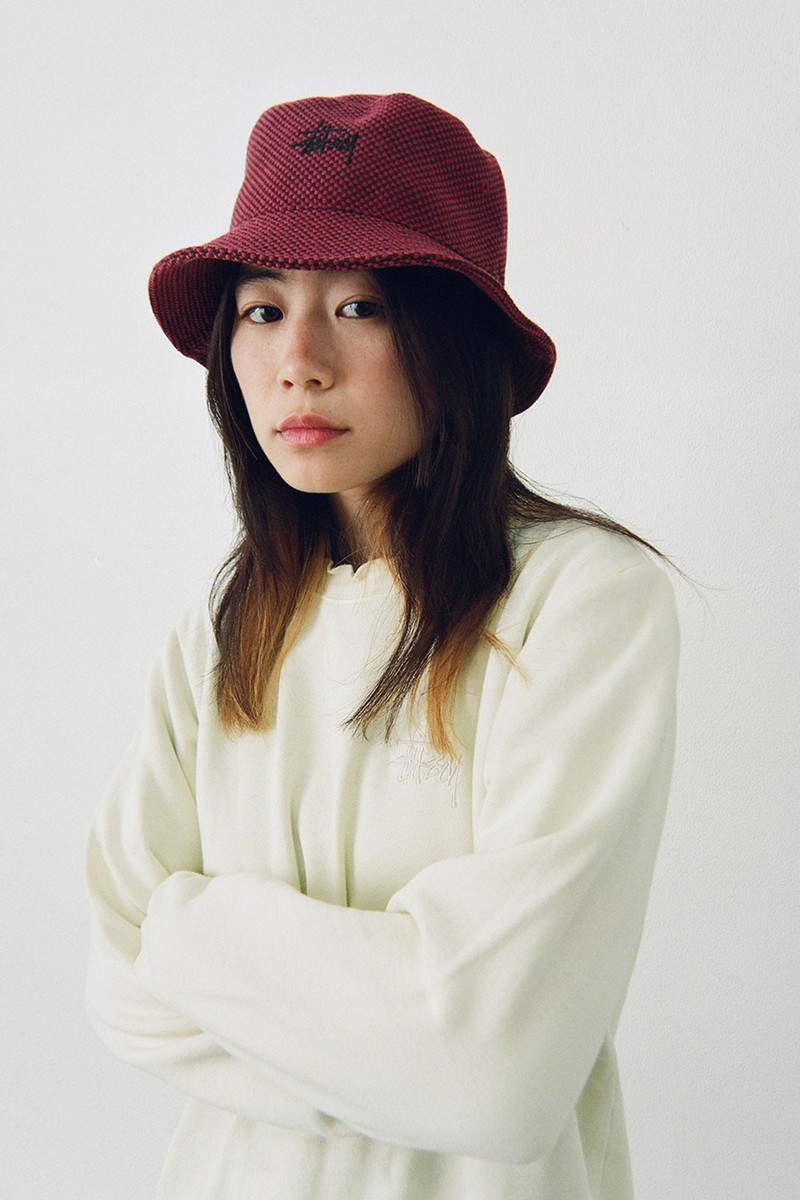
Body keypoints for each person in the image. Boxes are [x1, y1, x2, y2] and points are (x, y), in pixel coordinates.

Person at [85, 93, 679, 1200]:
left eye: (359, 305)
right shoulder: (226, 627)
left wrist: (190, 929)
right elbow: (116, 984)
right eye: (262, 309)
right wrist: (397, 1040)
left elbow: (497, 1076)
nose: (299, 361)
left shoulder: (581, 600)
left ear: (451, 337)